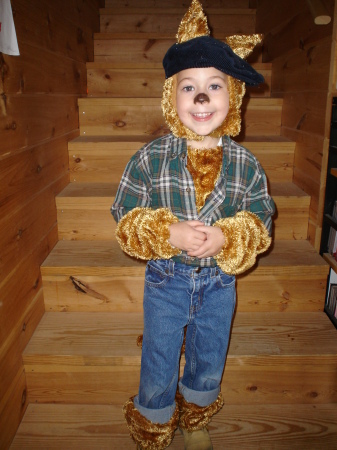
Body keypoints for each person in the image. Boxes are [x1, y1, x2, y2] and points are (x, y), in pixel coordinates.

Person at [111, 1, 275, 448]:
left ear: (233, 97)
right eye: (188, 87)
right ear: (171, 97)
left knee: (209, 354)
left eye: (214, 86)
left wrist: (227, 235)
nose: (201, 97)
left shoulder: (246, 164)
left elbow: (261, 217)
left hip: (220, 283)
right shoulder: (150, 157)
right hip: (166, 279)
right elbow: (123, 214)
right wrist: (167, 232)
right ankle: (154, 421)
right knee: (159, 354)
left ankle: (197, 416)